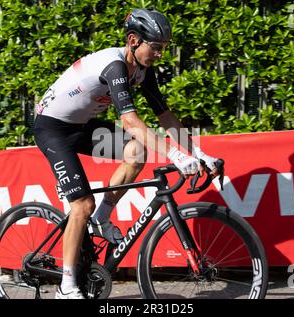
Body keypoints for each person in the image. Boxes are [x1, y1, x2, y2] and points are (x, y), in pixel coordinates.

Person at [33, 8, 220, 299]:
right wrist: (176, 157)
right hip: (53, 129)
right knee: (81, 205)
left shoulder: (143, 71)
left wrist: (198, 152)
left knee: (136, 151)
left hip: (83, 126)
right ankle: (66, 288)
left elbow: (165, 115)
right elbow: (130, 122)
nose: (160, 54)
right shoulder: (115, 66)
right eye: (156, 48)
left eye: (163, 49)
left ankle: (103, 217)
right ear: (134, 41)